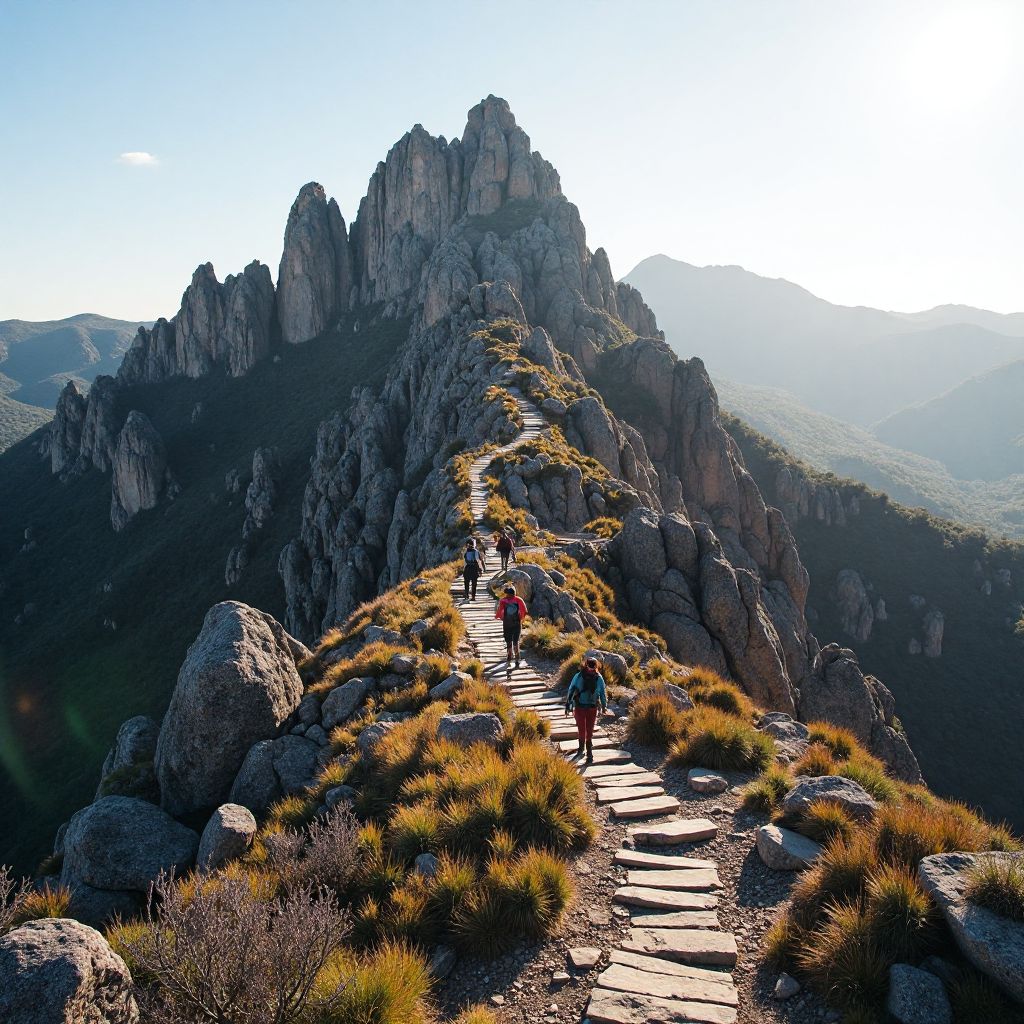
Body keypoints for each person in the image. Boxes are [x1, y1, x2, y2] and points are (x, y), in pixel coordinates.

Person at [564, 657, 608, 761]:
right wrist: (604, 706)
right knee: (587, 729)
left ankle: (584, 750)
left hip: (582, 706)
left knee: (584, 729)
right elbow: (602, 693)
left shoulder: (578, 676)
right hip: (588, 707)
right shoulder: (598, 678)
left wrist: (568, 705)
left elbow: (571, 690)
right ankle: (587, 752)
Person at [494, 584, 528, 670]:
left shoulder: (503, 601)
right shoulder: (518, 600)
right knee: (516, 642)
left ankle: (509, 657)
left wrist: (500, 617)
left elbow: (499, 612)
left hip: (507, 624)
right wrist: (521, 618)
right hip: (516, 624)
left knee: (508, 641)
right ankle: (517, 659)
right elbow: (524, 611)